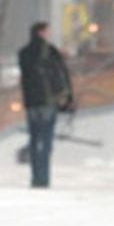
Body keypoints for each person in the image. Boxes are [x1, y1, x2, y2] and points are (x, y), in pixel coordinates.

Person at [17, 22, 74, 188]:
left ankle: (35, 177)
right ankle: (44, 178)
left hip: (31, 103)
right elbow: (62, 74)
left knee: (34, 139)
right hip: (48, 101)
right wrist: (68, 98)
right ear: (42, 33)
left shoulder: (23, 53)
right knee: (46, 140)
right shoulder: (51, 52)